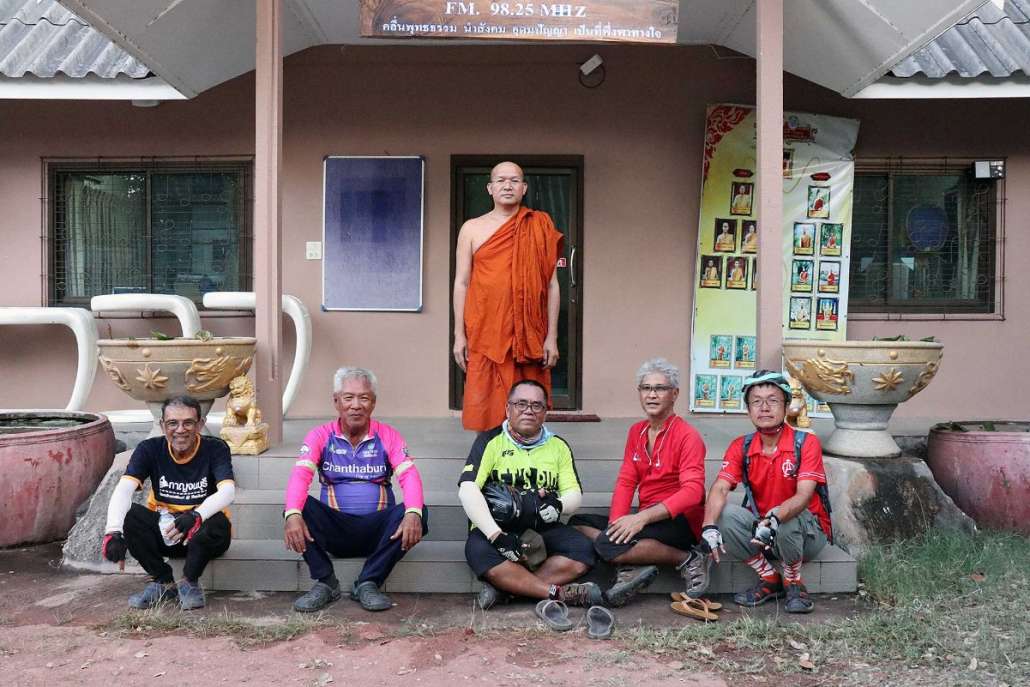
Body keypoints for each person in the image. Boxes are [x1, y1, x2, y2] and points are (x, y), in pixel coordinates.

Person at [284, 367, 427, 612]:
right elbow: (301, 476)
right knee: (296, 509)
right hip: (335, 531)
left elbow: (409, 475)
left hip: (378, 533)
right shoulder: (320, 435)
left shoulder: (388, 435)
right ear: (336, 401)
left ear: (373, 403)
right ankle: (326, 582)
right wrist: (292, 514)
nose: (356, 405)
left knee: (419, 512)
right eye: (348, 397)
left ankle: (368, 582)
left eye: (364, 398)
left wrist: (413, 512)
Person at [571, 359, 709, 606]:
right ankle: (629, 561)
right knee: (577, 523)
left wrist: (639, 519)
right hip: (648, 517)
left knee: (606, 544)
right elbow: (626, 481)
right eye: (646, 388)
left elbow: (693, 492)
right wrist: (617, 525)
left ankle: (688, 558)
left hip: (680, 521)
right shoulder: (637, 431)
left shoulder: (688, 436)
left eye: (660, 389)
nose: (652, 395)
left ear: (674, 394)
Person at [459, 379, 604, 610]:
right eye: (521, 403)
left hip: (542, 527)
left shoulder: (558, 446)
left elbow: (574, 493)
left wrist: (559, 505)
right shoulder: (489, 441)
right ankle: (558, 593)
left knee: (583, 552)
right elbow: (467, 489)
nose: (529, 410)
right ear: (508, 408)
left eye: (537, 405)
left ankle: (509, 590)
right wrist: (496, 535)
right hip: (499, 528)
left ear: (546, 412)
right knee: (478, 552)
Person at [695, 370, 832, 613]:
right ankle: (769, 578)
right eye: (756, 401)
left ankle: (793, 580)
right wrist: (708, 526)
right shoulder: (742, 446)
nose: (764, 407)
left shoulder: (806, 443)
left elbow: (803, 496)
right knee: (723, 515)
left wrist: (775, 517)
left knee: (786, 518)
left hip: (805, 533)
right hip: (762, 533)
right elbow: (720, 487)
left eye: (773, 400)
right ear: (748, 410)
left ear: (787, 406)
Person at [453, 162, 564, 432]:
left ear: (523, 188)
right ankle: (488, 459)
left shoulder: (539, 225)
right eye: (501, 180)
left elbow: (551, 285)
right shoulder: (471, 228)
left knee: (529, 404)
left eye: (514, 180)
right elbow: (462, 282)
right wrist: (459, 335)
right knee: (487, 405)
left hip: (529, 333)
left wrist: (552, 336)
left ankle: (527, 454)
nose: (507, 185)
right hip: (486, 331)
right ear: (490, 188)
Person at [100, 395, 234, 610]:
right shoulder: (149, 449)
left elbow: (228, 492)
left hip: (204, 537)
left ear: (200, 424)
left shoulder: (215, 448)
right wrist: (113, 531)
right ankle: (164, 582)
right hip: (167, 531)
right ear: (163, 425)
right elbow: (124, 490)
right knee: (130, 515)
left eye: (188, 422)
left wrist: (196, 516)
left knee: (216, 520)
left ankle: (189, 583)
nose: (180, 430)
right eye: (173, 423)